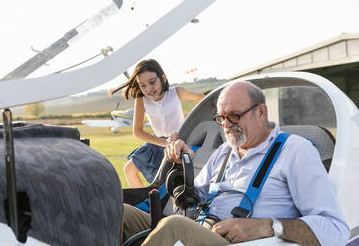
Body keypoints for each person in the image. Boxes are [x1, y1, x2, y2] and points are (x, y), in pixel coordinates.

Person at [122, 81, 350, 245]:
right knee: (119, 213)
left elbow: (334, 229)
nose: (227, 125)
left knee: (174, 227)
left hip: (242, 241)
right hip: (203, 230)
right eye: (221, 118)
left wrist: (267, 226)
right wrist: (181, 171)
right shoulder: (223, 152)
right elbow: (191, 200)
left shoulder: (296, 151)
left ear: (261, 112)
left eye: (235, 116)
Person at [109, 59, 204, 187]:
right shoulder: (141, 100)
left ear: (163, 78)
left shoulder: (176, 92)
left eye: (152, 82)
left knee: (174, 180)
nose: (148, 89)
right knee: (129, 169)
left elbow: (201, 98)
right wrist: (165, 143)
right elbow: (137, 131)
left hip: (179, 143)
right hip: (158, 142)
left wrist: (191, 123)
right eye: (142, 85)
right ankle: (143, 204)